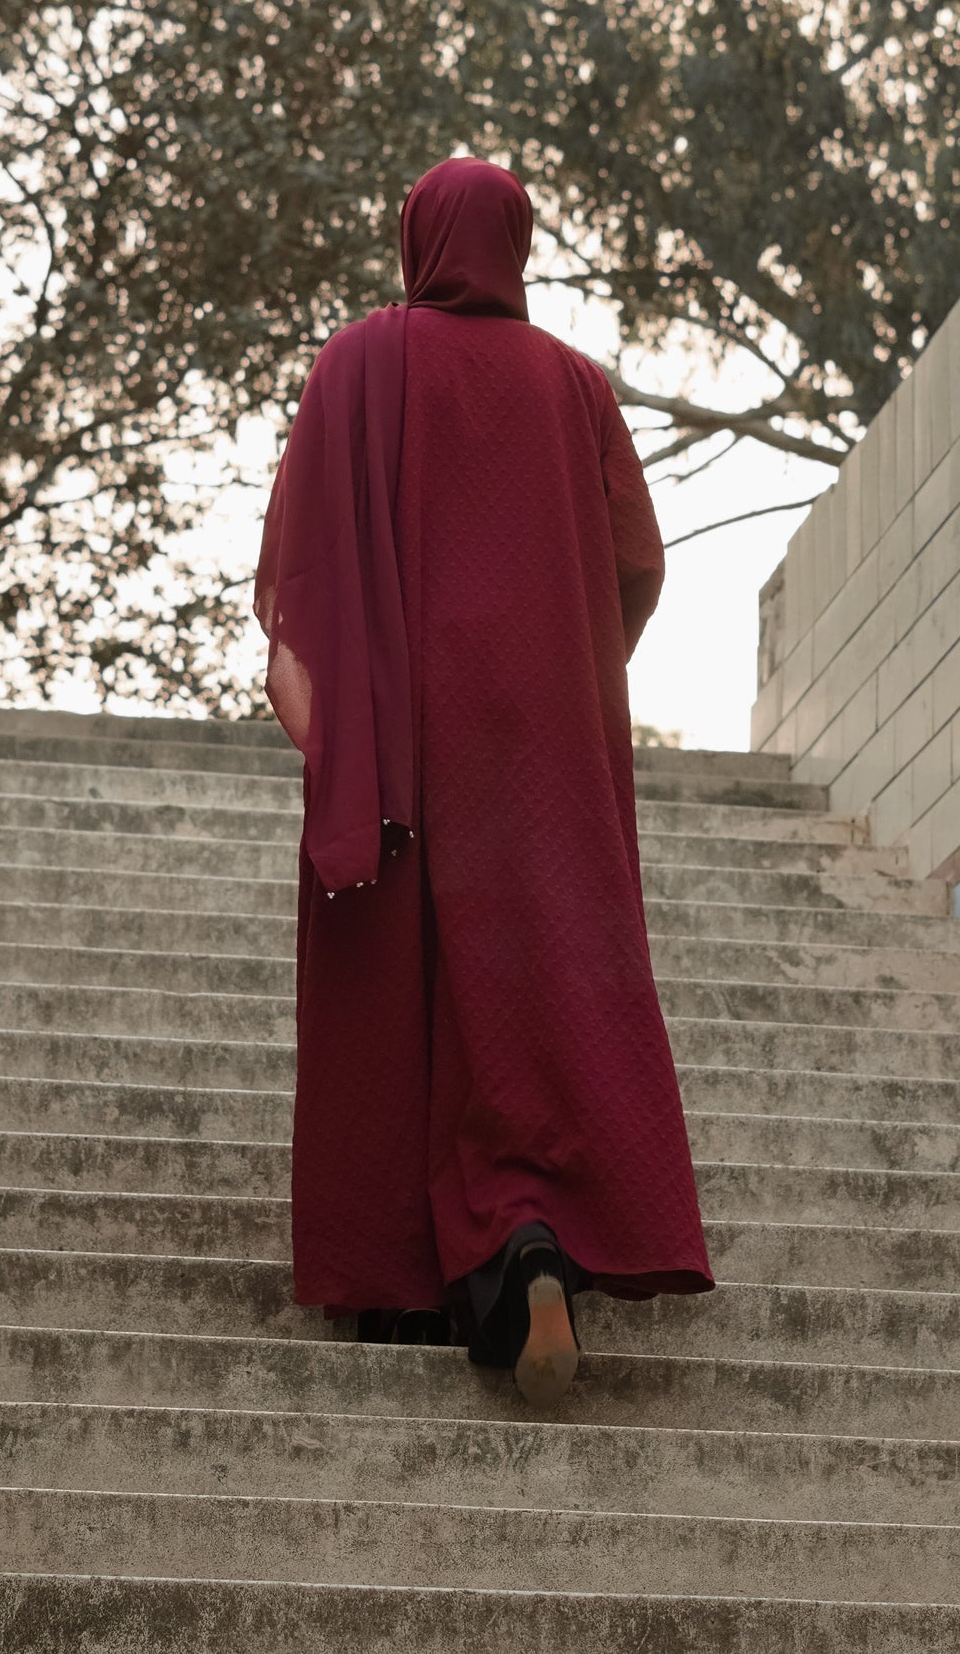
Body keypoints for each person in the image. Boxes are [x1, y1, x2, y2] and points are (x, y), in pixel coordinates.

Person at [254, 156, 713, 1409]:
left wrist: (349, 710)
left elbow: (296, 559)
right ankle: (524, 1237)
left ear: (415, 239)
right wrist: (561, 671)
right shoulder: (574, 384)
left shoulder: (359, 358)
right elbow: (634, 564)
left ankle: (400, 1276)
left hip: (402, 723)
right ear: (517, 243)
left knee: (394, 979)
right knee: (531, 989)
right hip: (538, 740)